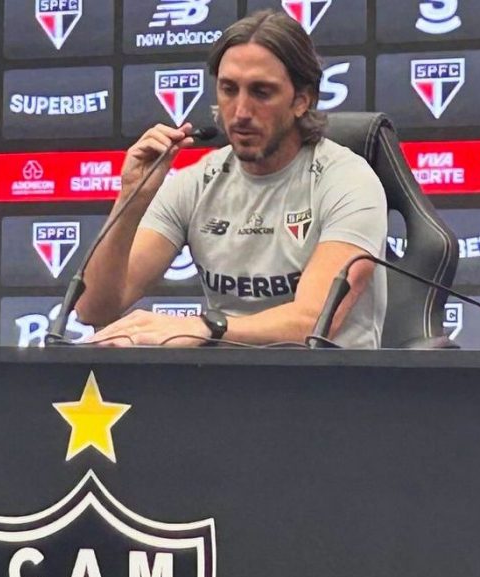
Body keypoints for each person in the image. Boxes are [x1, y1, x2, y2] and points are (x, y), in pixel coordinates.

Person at [77, 9, 387, 348]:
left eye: (261, 92)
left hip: (330, 391)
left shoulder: (349, 181)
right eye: (228, 89)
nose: (240, 112)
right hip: (225, 387)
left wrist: (205, 326)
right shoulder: (196, 183)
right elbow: (94, 309)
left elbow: (313, 321)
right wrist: (131, 199)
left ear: (302, 100)